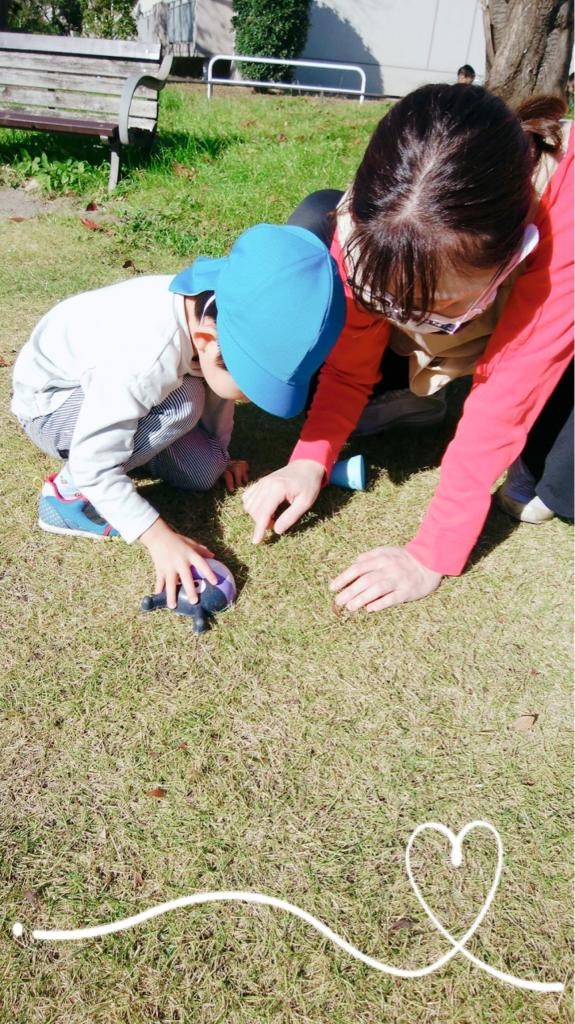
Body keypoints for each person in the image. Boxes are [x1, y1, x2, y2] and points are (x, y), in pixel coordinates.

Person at [242, 85, 573, 612]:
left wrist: (431, 554)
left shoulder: (562, 223)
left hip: (551, 320)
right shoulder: (374, 219)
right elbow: (349, 364)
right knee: (313, 223)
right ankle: (412, 396)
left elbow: (508, 392)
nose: (407, 323)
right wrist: (309, 460)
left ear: (511, 258)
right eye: (388, 302)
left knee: (559, 490)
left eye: (436, 309)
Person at [12, 223, 345, 608]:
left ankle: (140, 446)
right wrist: (160, 540)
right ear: (207, 342)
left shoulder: (213, 314)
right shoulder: (145, 357)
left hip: (120, 392)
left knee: (204, 471)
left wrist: (221, 454)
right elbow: (94, 464)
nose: (254, 399)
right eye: (251, 385)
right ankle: (65, 497)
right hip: (53, 407)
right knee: (184, 401)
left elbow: (218, 391)